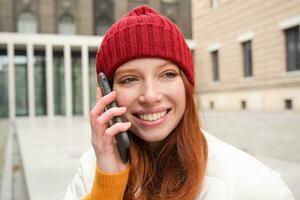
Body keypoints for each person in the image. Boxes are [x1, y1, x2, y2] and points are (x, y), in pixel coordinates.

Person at [65, 5, 295, 200]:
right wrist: (108, 185)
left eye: (167, 74)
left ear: (187, 84)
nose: (150, 95)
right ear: (107, 94)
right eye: (130, 79)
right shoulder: (92, 169)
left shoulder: (253, 185)